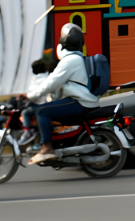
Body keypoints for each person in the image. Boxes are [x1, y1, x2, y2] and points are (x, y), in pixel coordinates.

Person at [25, 24, 99, 165]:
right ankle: (56, 143)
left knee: (42, 111)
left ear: (63, 43)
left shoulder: (69, 61)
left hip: (80, 102)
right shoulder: (79, 58)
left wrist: (30, 96)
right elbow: (59, 85)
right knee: (50, 108)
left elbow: (51, 83)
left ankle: (47, 147)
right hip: (86, 100)